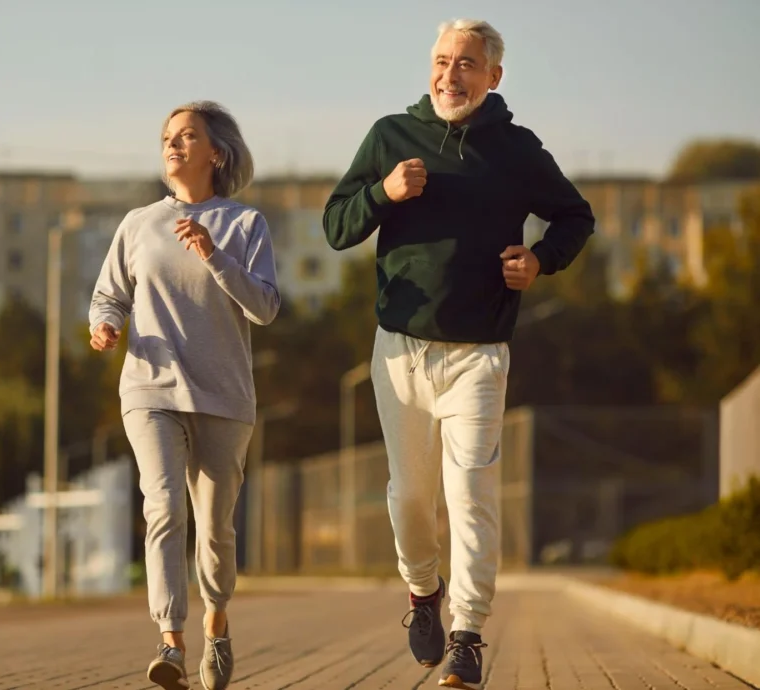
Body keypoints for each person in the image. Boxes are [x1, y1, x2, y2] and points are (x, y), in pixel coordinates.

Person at [322, 18, 594, 690]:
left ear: (493, 76)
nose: (450, 74)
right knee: (411, 496)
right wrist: (383, 194)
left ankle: (468, 634)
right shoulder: (391, 135)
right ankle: (422, 591)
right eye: (442, 60)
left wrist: (541, 259)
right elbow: (334, 225)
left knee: (470, 496)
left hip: (480, 353)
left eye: (467, 63)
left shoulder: (517, 150)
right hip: (400, 352)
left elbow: (575, 216)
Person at [89, 100, 280, 690]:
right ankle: (170, 642)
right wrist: (105, 324)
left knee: (216, 528)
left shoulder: (245, 225)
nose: (172, 144)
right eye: (167, 136)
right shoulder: (137, 223)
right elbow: (108, 294)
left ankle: (217, 626)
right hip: (150, 388)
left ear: (214, 153)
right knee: (164, 508)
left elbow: (266, 308)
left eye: (187, 135)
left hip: (223, 396)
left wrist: (213, 254)